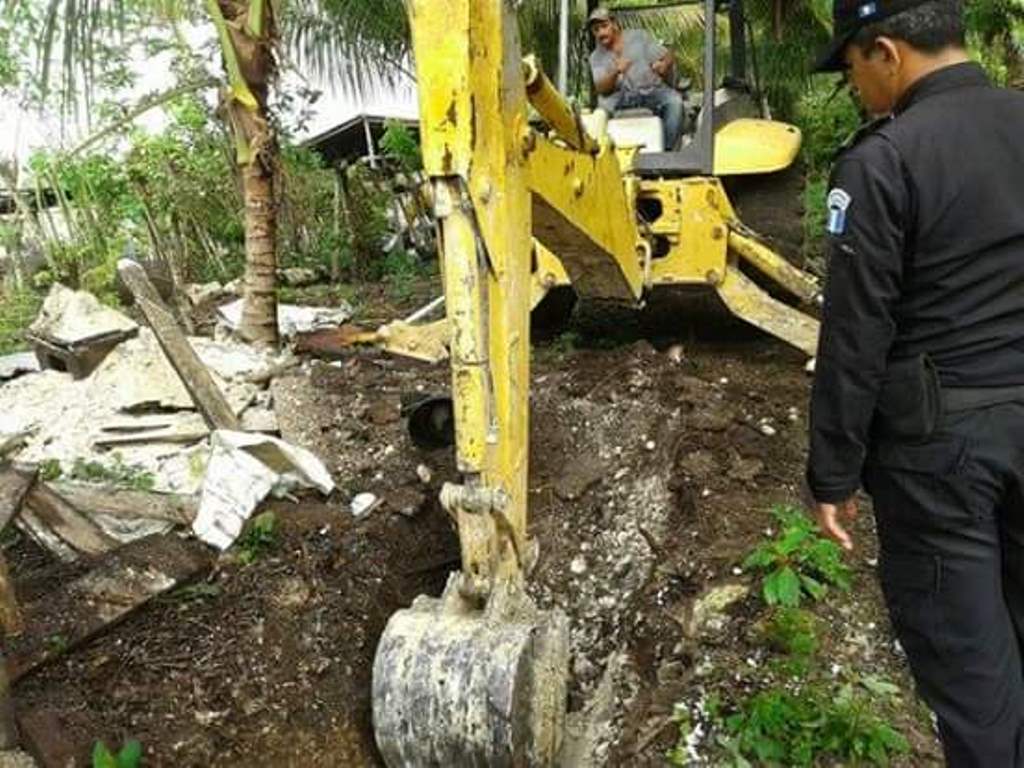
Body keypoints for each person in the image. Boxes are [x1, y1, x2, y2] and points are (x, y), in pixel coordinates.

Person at [805, 0, 1024, 764]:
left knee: (974, 687)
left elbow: (857, 333)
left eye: (852, 68)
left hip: (942, 460)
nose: (855, 86)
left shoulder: (884, 161)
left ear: (888, 53)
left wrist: (832, 473)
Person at [588, 7, 685, 150]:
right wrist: (616, 71)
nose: (601, 33)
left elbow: (668, 55)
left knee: (674, 101)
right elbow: (601, 88)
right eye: (596, 30)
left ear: (614, 24)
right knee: (599, 114)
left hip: (651, 91)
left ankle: (667, 154)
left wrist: (664, 65)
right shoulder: (595, 57)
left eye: (604, 26)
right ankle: (600, 153)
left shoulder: (638, 38)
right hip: (619, 99)